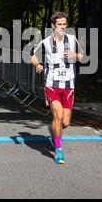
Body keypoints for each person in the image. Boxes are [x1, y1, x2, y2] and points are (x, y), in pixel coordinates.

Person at [31, 11, 84, 164]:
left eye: (64, 24)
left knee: (65, 123)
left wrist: (74, 54)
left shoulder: (72, 39)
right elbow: (33, 56)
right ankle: (58, 151)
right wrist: (37, 65)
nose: (62, 26)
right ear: (53, 25)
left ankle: (53, 130)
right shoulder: (46, 42)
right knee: (58, 115)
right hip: (51, 85)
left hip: (69, 86)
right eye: (59, 24)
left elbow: (82, 56)